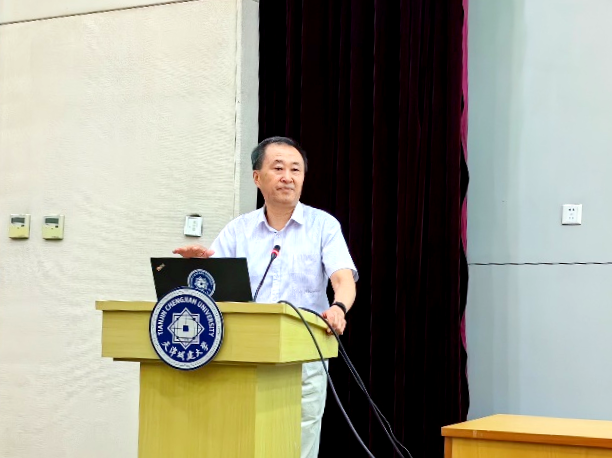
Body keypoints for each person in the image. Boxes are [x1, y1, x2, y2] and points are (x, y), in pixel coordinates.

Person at [173, 136, 358, 458]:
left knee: (299, 439)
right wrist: (197, 269)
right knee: (245, 438)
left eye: (295, 169)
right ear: (257, 177)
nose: (288, 177)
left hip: (304, 353)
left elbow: (343, 278)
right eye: (278, 168)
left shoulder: (323, 226)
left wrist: (338, 307)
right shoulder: (238, 230)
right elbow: (215, 286)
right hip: (247, 353)